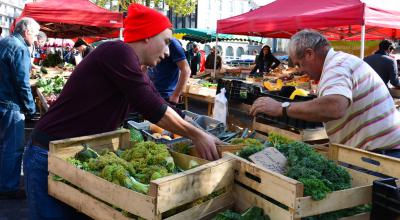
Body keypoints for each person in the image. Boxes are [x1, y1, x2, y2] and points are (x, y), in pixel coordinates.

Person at [23, 4, 220, 219]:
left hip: (74, 156)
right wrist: (197, 135)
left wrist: (205, 131)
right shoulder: (117, 51)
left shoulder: (135, 69)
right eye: (165, 42)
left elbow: (160, 105)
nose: (166, 52)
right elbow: (154, 110)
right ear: (147, 36)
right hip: (48, 155)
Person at [250, 30, 400, 158]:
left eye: (298, 64)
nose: (299, 70)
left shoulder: (336, 67)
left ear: (309, 54)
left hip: (383, 156)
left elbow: (334, 106)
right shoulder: (339, 62)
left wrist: (282, 107)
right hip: (380, 153)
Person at [0, 17, 40, 200]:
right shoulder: (20, 47)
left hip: (3, 100)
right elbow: (23, 83)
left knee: (3, 146)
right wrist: (31, 110)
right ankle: (8, 187)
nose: (36, 38)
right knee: (13, 148)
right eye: (35, 34)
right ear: (27, 32)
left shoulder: (5, 42)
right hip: (10, 104)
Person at [148, 38, 191, 104]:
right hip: (151, 92)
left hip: (165, 95)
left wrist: (176, 95)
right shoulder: (149, 42)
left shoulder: (172, 43)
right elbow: (144, 66)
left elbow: (186, 70)